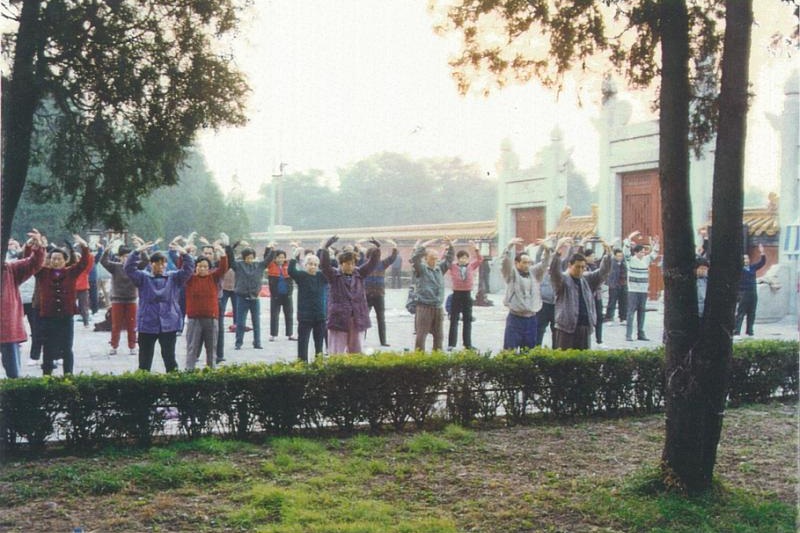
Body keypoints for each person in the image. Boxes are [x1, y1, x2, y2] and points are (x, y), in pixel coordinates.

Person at [125, 238, 194, 372]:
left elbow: (188, 270)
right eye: (157, 263)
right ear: (151, 264)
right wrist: (136, 252)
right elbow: (129, 269)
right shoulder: (143, 278)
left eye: (163, 263)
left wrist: (185, 254)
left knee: (170, 359)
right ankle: (143, 383)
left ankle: (174, 382)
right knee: (144, 361)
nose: (161, 266)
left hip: (169, 323)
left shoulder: (174, 277)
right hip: (147, 323)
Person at [35, 234, 90, 375]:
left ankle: (68, 375)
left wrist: (84, 246)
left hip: (66, 317)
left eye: (59, 259)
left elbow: (84, 263)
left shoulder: (71, 272)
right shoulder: (43, 273)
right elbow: (33, 262)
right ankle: (47, 376)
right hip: (48, 317)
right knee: (48, 347)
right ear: (49, 260)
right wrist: (38, 246)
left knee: (67, 348)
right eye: (53, 259)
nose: (56, 261)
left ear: (65, 261)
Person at [320, 235, 380, 354]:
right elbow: (325, 265)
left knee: (357, 350)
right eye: (347, 264)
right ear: (341, 264)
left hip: (357, 317)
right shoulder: (334, 275)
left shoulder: (360, 273)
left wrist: (377, 248)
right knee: (337, 350)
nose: (350, 266)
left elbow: (372, 263)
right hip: (339, 318)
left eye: (352, 263)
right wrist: (325, 248)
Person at [550, 238, 611, 350]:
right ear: (570, 265)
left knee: (584, 358)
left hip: (584, 327)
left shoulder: (587, 279)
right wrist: (557, 253)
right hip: (566, 328)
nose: (580, 270)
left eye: (583, 267)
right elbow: (554, 272)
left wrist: (608, 255)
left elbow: (603, 273)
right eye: (577, 267)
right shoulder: (563, 280)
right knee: (565, 358)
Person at [1, 230, 45, 378]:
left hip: (7, 328)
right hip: (7, 328)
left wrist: (37, 248)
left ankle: (16, 390)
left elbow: (33, 263)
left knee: (13, 373)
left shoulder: (9, 269)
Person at [184, 243, 230, 370]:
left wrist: (222, 253)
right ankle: (189, 370)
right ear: (195, 267)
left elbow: (223, 268)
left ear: (209, 268)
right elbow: (183, 268)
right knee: (192, 347)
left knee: (211, 348)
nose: (202, 269)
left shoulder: (213, 277)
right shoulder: (190, 279)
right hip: (194, 319)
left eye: (205, 267)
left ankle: (211, 371)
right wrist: (184, 253)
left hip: (211, 318)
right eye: (199, 266)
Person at [501, 237, 549, 351]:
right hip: (515, 318)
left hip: (531, 319)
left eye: (529, 262)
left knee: (528, 351)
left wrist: (547, 250)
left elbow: (544, 264)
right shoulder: (511, 274)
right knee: (510, 351)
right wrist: (508, 247)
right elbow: (505, 264)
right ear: (516, 263)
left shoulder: (534, 273)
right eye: (524, 262)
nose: (527, 265)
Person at [411, 237, 454, 352]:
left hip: (438, 307)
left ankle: (437, 357)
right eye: (432, 258)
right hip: (424, 307)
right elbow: (415, 258)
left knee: (439, 336)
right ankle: (419, 357)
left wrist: (450, 246)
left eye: (436, 258)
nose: (435, 260)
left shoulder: (439, 269)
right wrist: (423, 246)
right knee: (421, 335)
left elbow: (449, 259)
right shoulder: (421, 269)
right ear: (426, 258)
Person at [100, 242, 140, 355]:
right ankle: (114, 346)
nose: (126, 259)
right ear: (120, 257)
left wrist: (140, 248)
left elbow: (146, 262)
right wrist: (106, 251)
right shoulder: (115, 267)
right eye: (124, 256)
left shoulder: (134, 267)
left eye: (129, 256)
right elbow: (103, 262)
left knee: (132, 325)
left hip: (131, 300)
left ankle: (132, 346)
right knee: (116, 325)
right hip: (117, 300)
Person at [288, 250, 328, 362]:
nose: (313, 266)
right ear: (305, 265)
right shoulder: (302, 276)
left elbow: (329, 269)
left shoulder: (322, 276)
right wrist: (294, 257)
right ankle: (302, 363)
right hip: (305, 316)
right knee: (303, 342)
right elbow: (291, 271)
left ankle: (318, 363)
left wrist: (325, 251)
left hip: (320, 315)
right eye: (310, 264)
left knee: (319, 343)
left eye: (315, 264)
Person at [230, 242, 269, 350]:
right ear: (243, 258)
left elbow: (267, 260)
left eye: (252, 258)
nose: (250, 260)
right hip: (242, 298)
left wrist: (270, 248)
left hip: (255, 298)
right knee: (240, 322)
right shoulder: (238, 265)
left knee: (256, 322)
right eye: (248, 258)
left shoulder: (258, 265)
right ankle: (238, 343)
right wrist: (233, 246)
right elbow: (230, 258)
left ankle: (257, 342)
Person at [623, 231, 660, 341]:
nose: (643, 254)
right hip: (633, 290)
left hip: (643, 290)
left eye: (644, 252)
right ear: (636, 252)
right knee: (631, 312)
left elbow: (654, 254)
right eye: (641, 252)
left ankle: (641, 333)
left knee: (642, 312)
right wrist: (630, 238)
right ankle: (628, 334)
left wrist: (656, 244)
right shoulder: (630, 260)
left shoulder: (646, 260)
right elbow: (625, 251)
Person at [361, 238, 398, 347]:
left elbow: (393, 257)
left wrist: (393, 245)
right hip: (368, 295)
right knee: (366, 319)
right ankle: (362, 340)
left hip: (377, 295)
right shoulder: (364, 265)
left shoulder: (381, 264)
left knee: (379, 319)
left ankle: (382, 341)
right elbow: (392, 257)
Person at [446, 241, 482, 350]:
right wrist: (448, 248)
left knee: (467, 319)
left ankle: (467, 344)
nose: (463, 260)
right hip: (456, 294)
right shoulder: (453, 266)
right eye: (461, 258)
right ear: (457, 259)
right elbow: (444, 260)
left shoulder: (471, 266)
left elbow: (480, 260)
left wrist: (476, 249)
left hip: (467, 294)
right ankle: (451, 344)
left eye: (466, 258)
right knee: (454, 319)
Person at [265, 245, 296, 341]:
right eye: (279, 257)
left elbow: (295, 260)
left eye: (283, 257)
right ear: (275, 258)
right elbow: (266, 258)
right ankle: (273, 334)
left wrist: (295, 249)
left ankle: (290, 334)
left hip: (287, 295)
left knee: (289, 315)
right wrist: (269, 249)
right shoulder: (271, 265)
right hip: (276, 295)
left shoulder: (288, 265)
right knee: (274, 315)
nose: (281, 259)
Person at [734, 243, 766, 337]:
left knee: (752, 313)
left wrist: (762, 253)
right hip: (744, 293)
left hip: (753, 293)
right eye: (744, 259)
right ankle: (737, 331)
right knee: (741, 313)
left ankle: (750, 331)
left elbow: (762, 263)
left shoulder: (752, 267)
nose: (746, 260)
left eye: (747, 259)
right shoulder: (739, 270)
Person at [604, 248, 628, 323]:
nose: (620, 258)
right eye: (618, 256)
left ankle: (623, 317)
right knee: (612, 301)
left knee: (623, 301)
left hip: (623, 284)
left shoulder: (624, 262)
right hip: (613, 284)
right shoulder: (611, 262)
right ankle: (609, 318)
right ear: (614, 256)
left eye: (621, 256)